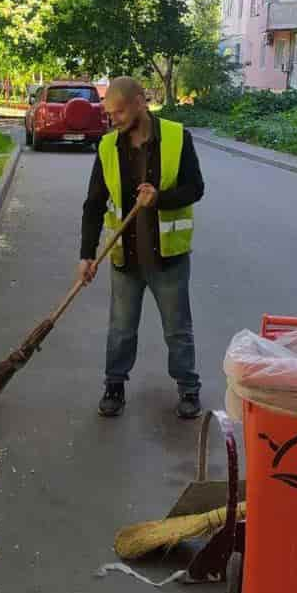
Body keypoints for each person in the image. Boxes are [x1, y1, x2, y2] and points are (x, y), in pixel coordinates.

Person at [78, 76, 205, 419]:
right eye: (109, 113)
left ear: (140, 102)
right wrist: (86, 255)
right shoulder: (107, 147)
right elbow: (93, 204)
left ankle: (189, 389)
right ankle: (114, 386)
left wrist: (159, 199)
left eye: (117, 112)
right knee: (121, 330)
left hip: (169, 260)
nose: (112, 119)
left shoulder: (178, 138)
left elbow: (196, 188)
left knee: (178, 330)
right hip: (125, 259)